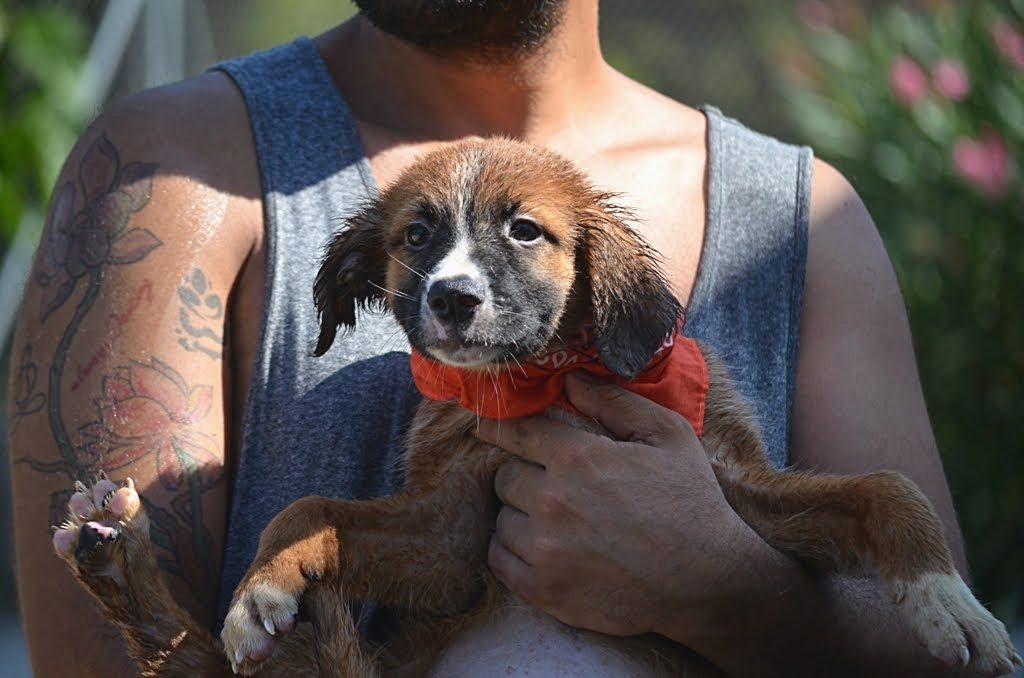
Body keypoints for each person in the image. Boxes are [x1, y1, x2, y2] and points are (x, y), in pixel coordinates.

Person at [8, 1, 970, 675]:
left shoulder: (806, 222)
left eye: (523, 234)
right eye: (418, 241)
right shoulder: (164, 174)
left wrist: (721, 586)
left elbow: (953, 655)